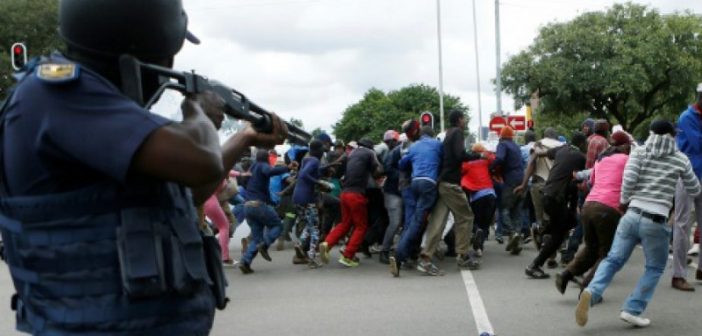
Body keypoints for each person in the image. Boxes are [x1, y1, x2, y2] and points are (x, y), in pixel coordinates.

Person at [0, 1, 288, 334]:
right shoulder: (58, 94)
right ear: (145, 54)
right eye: (168, 54)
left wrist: (243, 138)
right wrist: (199, 110)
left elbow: (187, 192)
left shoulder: (88, 111)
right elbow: (200, 162)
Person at [576, 120, 701, 328]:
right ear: (673, 136)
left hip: (632, 214)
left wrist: (625, 204)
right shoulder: (681, 159)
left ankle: (592, 290)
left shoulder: (639, 153)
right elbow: (695, 189)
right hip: (656, 219)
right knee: (655, 266)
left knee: (613, 259)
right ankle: (632, 309)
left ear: (651, 133)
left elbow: (628, 181)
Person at [556, 131, 633, 294]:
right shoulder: (628, 160)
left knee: (591, 248)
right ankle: (588, 288)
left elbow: (591, 183)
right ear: (625, 146)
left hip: (589, 206)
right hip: (608, 208)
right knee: (608, 254)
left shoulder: (601, 160)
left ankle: (566, 274)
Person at [420, 110, 482, 275]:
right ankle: (462, 255)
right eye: (464, 119)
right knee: (466, 216)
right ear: (459, 120)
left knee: (438, 221)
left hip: (443, 182)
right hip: (451, 184)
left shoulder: (448, 134)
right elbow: (459, 155)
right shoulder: (458, 133)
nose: (465, 121)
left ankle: (426, 257)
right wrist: (476, 156)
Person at [524, 132, 587, 279]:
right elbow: (576, 181)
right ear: (583, 143)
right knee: (559, 235)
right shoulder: (580, 158)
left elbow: (542, 154)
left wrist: (537, 149)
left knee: (566, 224)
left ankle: (542, 231)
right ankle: (535, 265)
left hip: (547, 194)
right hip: (557, 199)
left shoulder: (562, 149)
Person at [319, 138, 382, 267]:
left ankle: (327, 244)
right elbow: (378, 170)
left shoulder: (351, 154)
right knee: (361, 226)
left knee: (345, 223)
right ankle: (348, 256)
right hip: (356, 195)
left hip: (345, 193)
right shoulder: (370, 153)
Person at [390, 126, 443, 277]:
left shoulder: (414, 147)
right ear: (432, 135)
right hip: (429, 183)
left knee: (416, 221)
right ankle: (399, 256)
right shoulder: (437, 145)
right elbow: (445, 161)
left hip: (415, 183)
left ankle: (410, 253)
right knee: (418, 222)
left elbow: (402, 164)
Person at [239, 150, 297, 273]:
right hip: (258, 205)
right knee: (278, 225)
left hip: (248, 206)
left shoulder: (252, 167)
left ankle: (245, 262)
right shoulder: (262, 165)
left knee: (256, 238)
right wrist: (287, 167)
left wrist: (270, 201)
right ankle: (265, 245)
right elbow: (269, 171)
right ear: (266, 159)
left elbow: (248, 183)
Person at [671, 83, 702, 291]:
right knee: (682, 224)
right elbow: (699, 144)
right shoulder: (687, 117)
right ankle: (678, 275)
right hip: (688, 173)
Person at [293, 140, 333, 268]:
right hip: (307, 198)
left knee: (310, 224)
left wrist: (328, 166)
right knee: (315, 228)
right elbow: (304, 175)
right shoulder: (315, 160)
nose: (323, 151)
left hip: (298, 197)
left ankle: (299, 244)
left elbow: (304, 172)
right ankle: (312, 258)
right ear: (316, 150)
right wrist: (319, 182)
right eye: (322, 149)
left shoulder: (307, 160)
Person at [490, 126, 525, 255]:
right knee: (517, 210)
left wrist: (490, 168)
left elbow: (499, 159)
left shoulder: (503, 145)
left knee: (504, 208)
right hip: (522, 179)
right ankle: (516, 243)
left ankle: (512, 232)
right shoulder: (516, 146)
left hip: (510, 180)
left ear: (501, 136)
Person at [461, 143, 497, 256]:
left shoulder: (467, 164)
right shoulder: (485, 162)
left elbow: (459, 170)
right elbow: (494, 158)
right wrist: (485, 153)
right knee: (485, 224)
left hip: (477, 197)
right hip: (491, 195)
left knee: (475, 221)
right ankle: (479, 247)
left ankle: (477, 233)